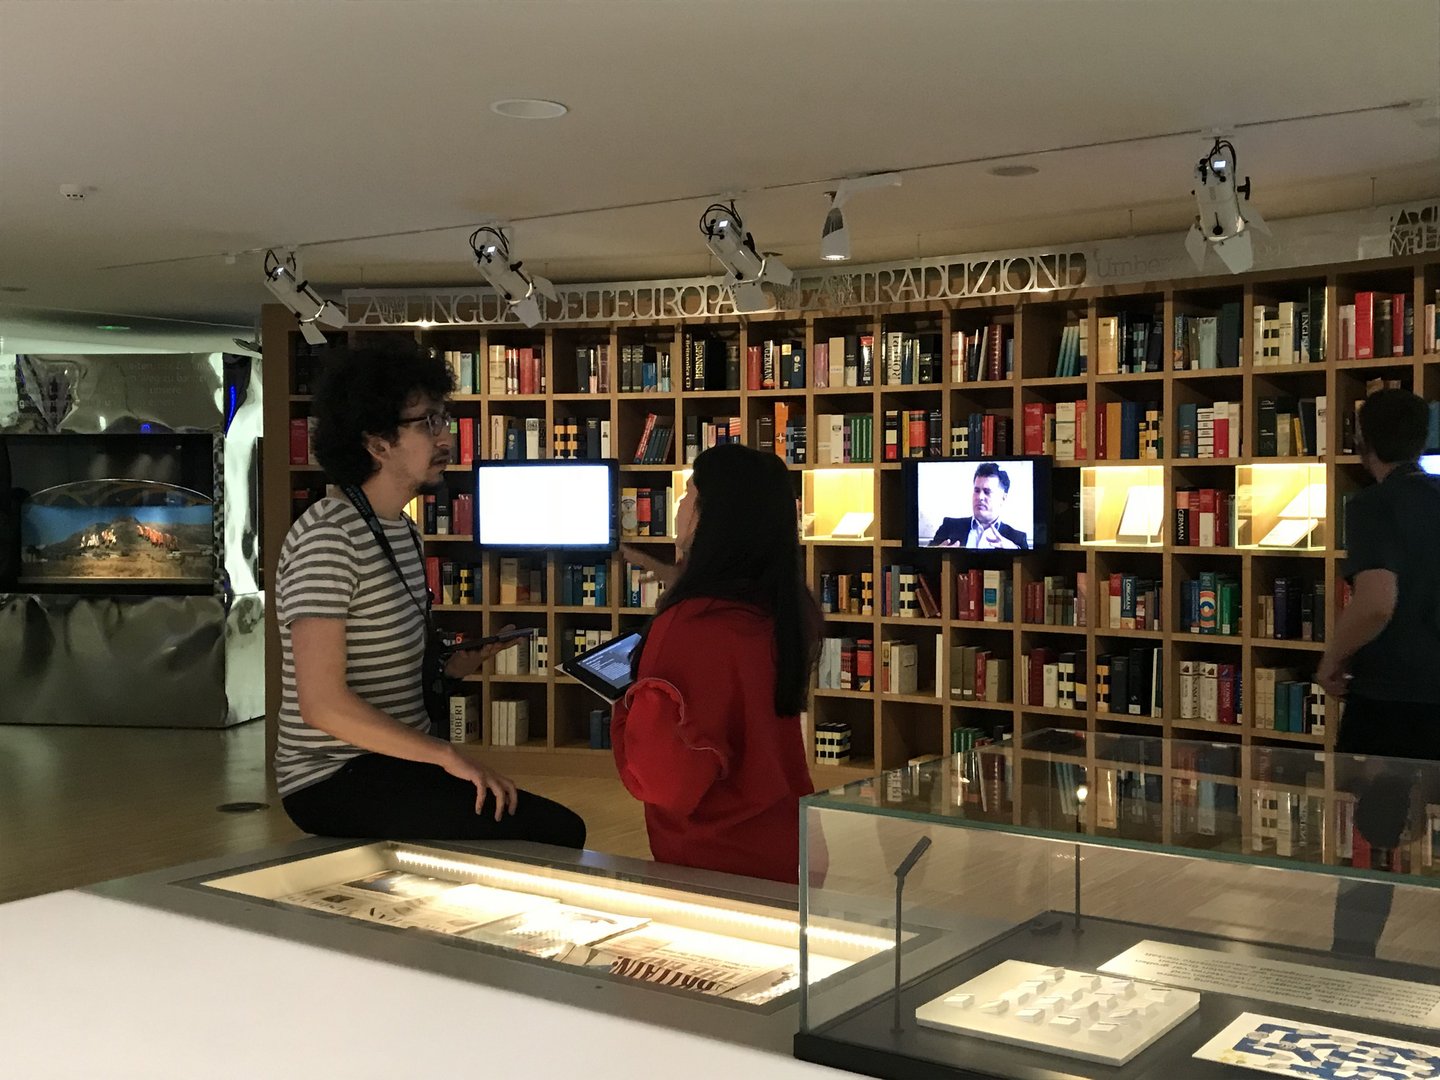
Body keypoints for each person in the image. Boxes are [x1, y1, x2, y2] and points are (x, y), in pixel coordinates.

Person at [275, 342, 585, 847]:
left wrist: (450, 667)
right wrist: (445, 755)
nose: (446, 438)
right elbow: (322, 706)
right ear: (377, 443)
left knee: (548, 828)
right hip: (331, 777)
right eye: (428, 424)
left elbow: (390, 666)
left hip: (395, 760)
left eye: (443, 419)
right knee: (551, 834)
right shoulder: (328, 537)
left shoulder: (403, 529)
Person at [611, 443, 820, 883]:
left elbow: (664, 780)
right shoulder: (783, 606)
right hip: (786, 841)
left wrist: (624, 708)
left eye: (688, 493)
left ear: (712, 515)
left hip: (713, 857)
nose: (679, 505)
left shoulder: (689, 625)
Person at [1316, 388, 1440, 956]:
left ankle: (1350, 965)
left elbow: (1375, 602)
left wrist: (1331, 659)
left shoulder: (1369, 506)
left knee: (1369, 836)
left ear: (1361, 441)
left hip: (1390, 700)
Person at [929, 461, 1029, 549]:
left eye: (987, 492)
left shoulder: (1016, 539)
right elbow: (926, 560)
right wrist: (935, 554)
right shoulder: (949, 526)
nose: (980, 497)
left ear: (1003, 497)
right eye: (976, 491)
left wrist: (1013, 550)